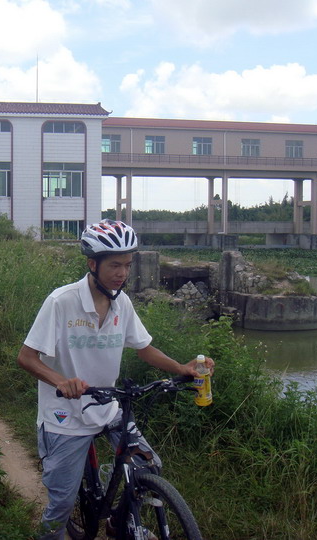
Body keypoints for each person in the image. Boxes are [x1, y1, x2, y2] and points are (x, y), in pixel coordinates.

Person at [17, 219, 215, 539]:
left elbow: (144, 348)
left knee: (149, 466)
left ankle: (117, 520)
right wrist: (61, 381)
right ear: (92, 264)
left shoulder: (121, 302)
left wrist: (182, 368)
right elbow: (26, 357)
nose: (122, 273)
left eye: (127, 265)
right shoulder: (61, 302)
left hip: (108, 406)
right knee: (61, 504)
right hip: (65, 414)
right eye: (114, 265)